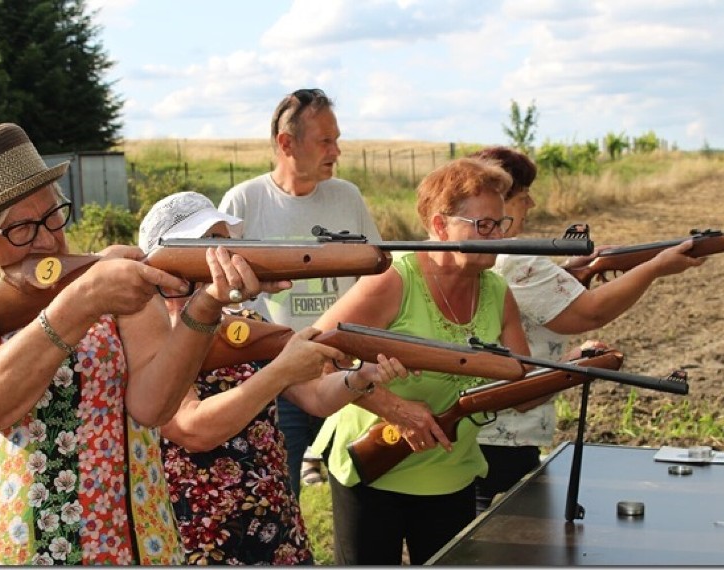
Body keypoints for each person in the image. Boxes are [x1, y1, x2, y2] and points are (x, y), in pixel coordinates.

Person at [0, 123, 278, 565]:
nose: (46, 239)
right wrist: (81, 303)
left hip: (132, 544)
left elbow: (154, 407)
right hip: (6, 548)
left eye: (52, 217)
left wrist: (208, 304)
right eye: (22, 229)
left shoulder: (110, 279)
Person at [139, 191, 406, 565]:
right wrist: (281, 371)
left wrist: (363, 376)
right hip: (198, 534)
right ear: (170, 258)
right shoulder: (152, 337)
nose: (229, 252)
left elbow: (315, 398)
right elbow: (192, 428)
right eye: (211, 242)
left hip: (272, 522)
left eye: (227, 240)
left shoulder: (245, 325)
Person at [309, 157, 532, 565]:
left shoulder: (498, 291)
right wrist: (392, 408)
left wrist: (572, 366)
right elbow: (314, 355)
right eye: (483, 225)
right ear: (441, 225)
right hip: (375, 468)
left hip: (451, 471)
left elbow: (522, 390)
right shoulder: (394, 281)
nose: (497, 237)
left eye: (501, 224)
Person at [470, 146, 706, 513]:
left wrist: (571, 270)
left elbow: (530, 301)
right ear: (496, 200)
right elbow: (588, 314)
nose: (530, 204)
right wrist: (656, 266)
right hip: (504, 440)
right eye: (522, 195)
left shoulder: (483, 252)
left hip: (487, 433)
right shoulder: (514, 254)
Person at [218, 88, 381, 496]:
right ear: (286, 143)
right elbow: (228, 296)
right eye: (326, 140)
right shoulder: (243, 202)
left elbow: (375, 278)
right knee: (280, 492)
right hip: (279, 376)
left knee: (359, 487)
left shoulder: (348, 197)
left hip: (346, 368)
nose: (337, 151)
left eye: (336, 139)